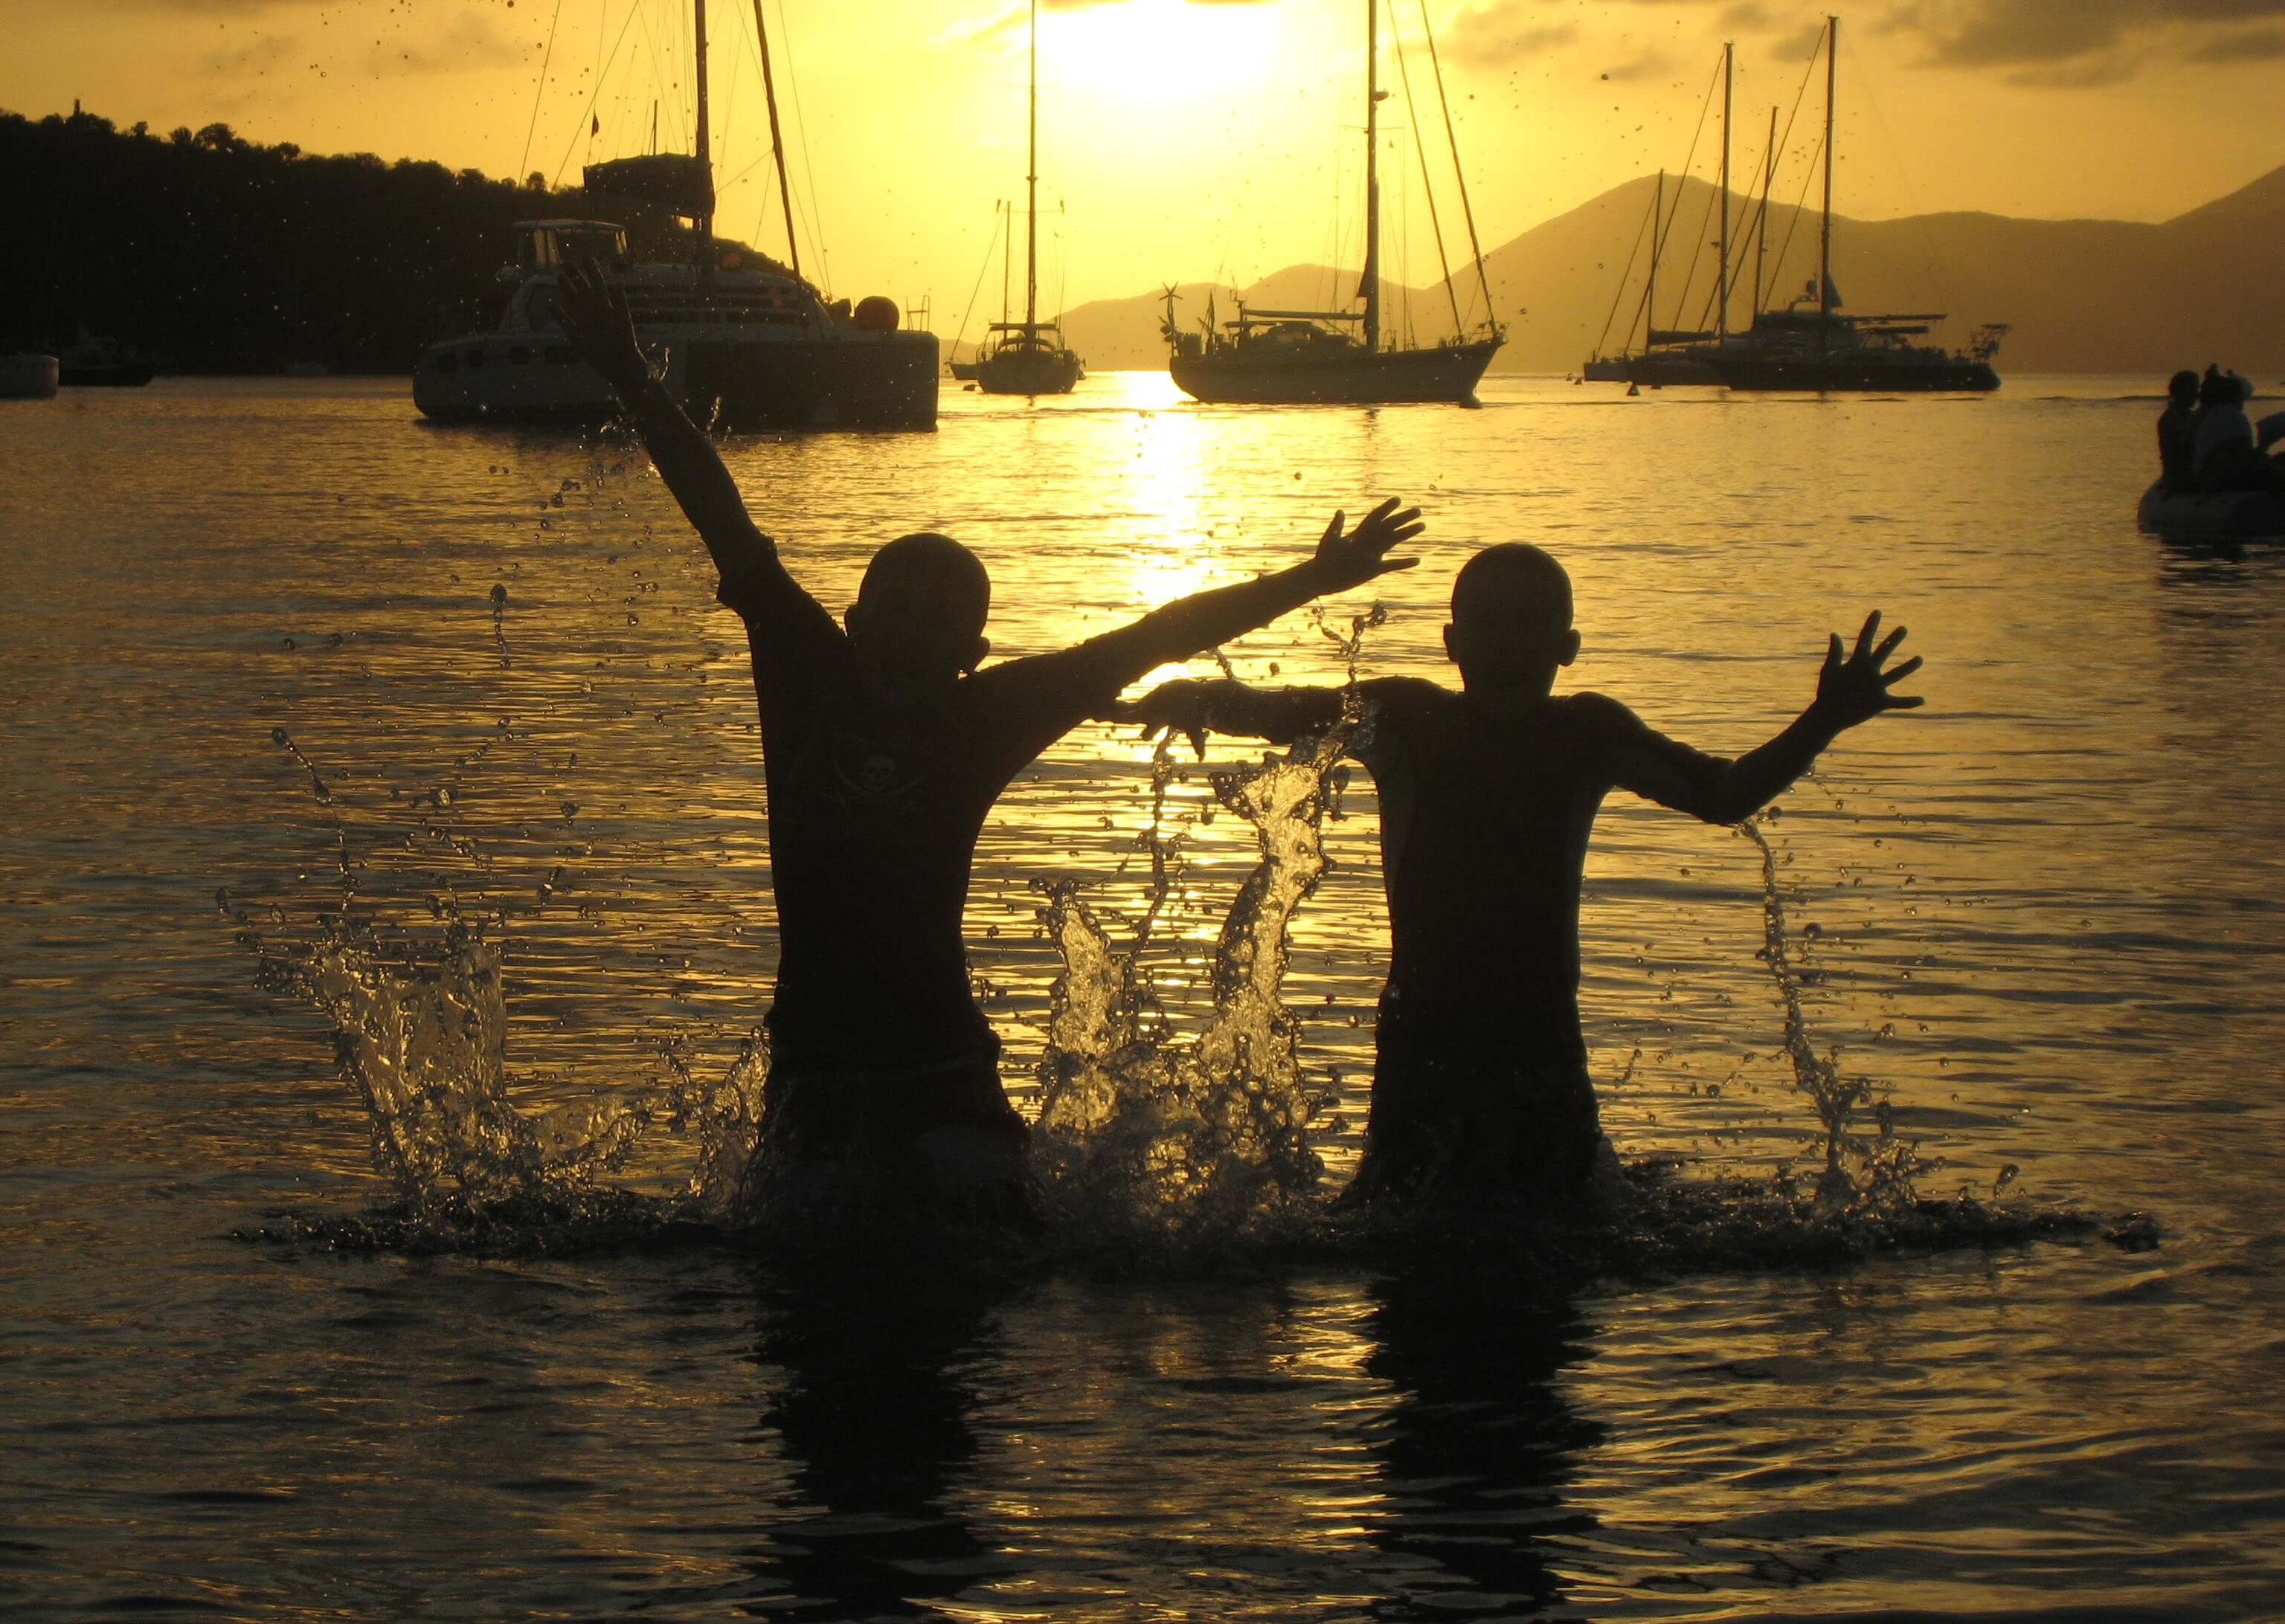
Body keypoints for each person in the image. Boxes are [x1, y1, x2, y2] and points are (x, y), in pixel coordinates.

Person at [549, 258, 1423, 1222]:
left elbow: (1158, 635)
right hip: (814, 1075)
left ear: (972, 655)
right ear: (854, 620)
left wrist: (1312, 579)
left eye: (939, 622)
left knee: (978, 1259)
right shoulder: (806, 670)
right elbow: (722, 515)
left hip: (943, 1079)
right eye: (897, 610)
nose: (912, 633)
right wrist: (631, 377)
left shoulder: (986, 716)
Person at [1122, 544, 1922, 1216]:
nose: (1507, 647)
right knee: (1394, 1222)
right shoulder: (1407, 718)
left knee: (1567, 1223)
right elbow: (1281, 710)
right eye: (1489, 625)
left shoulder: (1586, 734)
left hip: (1538, 1035)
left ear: (1566, 647)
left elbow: (1725, 794)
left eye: (1528, 627)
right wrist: (1196, 695)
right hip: (1425, 1036)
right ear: (1452, 642)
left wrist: (1823, 720)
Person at [2158, 369, 2201, 489]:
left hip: (2174, 474)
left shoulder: (2170, 415)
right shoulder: (2183, 418)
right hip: (2182, 477)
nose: (2197, 394)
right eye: (2194, 389)